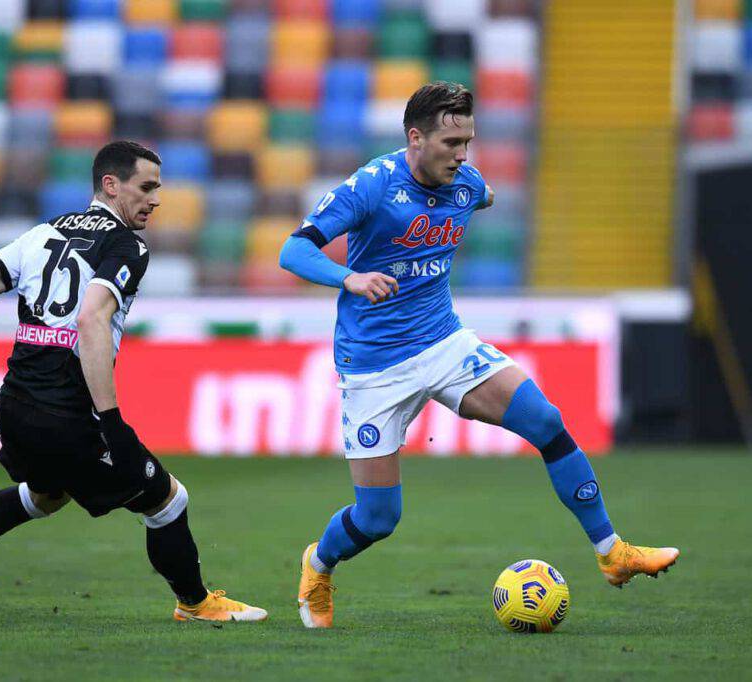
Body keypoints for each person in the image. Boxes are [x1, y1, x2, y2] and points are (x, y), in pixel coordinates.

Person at [279, 82, 679, 629]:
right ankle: (318, 564)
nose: (462, 154)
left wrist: (477, 189)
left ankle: (612, 553)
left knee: (546, 420)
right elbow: (293, 249)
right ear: (414, 138)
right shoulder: (371, 186)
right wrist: (349, 277)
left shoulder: (466, 182)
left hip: (444, 341)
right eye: (450, 142)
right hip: (374, 365)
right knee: (378, 517)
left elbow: (480, 194)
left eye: (468, 141)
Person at [0, 141, 266, 623]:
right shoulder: (127, 245)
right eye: (146, 187)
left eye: (158, 189)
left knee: (45, 495)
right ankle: (194, 603)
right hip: (68, 412)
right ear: (111, 185)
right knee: (168, 500)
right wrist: (111, 422)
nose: (155, 199)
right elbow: (91, 321)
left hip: (17, 406)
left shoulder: (42, 234)